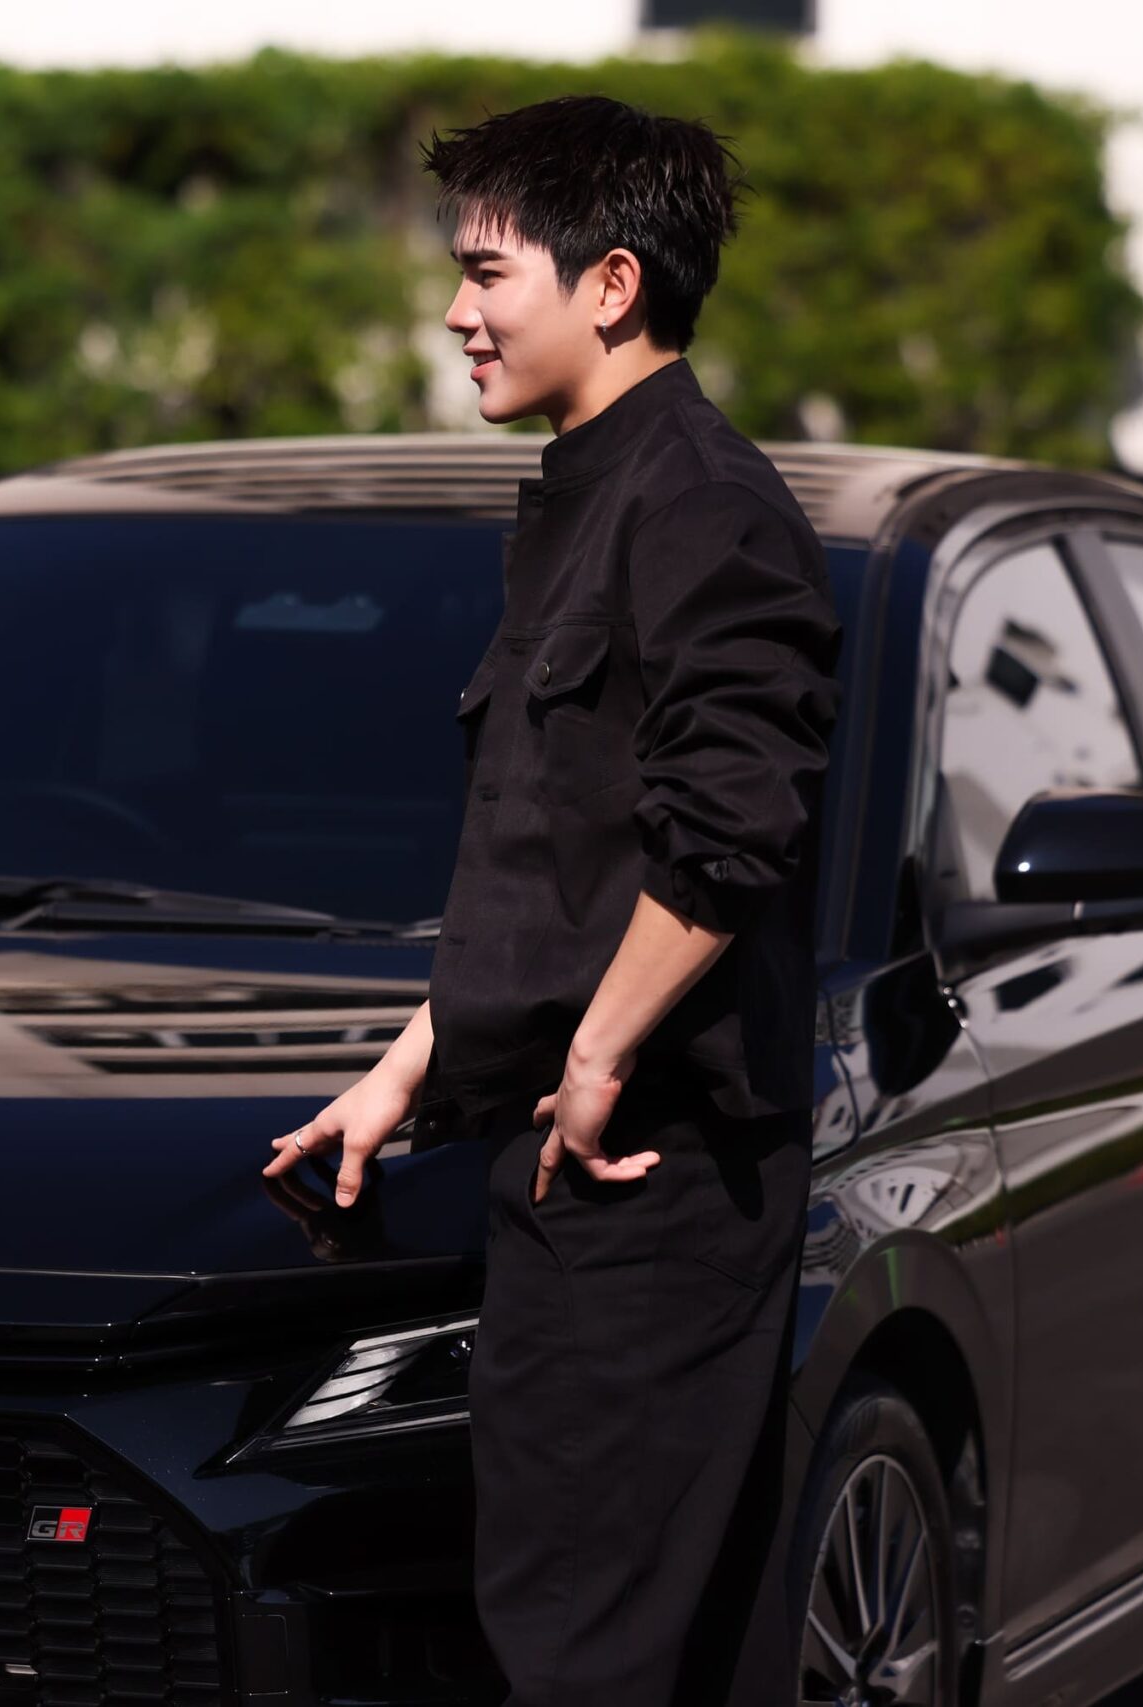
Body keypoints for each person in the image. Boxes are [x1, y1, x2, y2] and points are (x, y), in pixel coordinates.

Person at [259, 93, 844, 1707]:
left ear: (612, 285)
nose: (457, 312)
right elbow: (554, 864)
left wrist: (595, 1055)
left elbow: (733, 828)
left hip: (647, 1174)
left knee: (583, 1645)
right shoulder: (594, 496)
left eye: (487, 271)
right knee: (617, 1637)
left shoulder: (703, 506)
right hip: (568, 1157)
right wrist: (404, 1071)